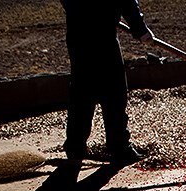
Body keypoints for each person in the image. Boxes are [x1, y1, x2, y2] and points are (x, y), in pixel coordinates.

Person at [59, 0, 154, 170]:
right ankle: (119, 148)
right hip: (102, 36)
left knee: (82, 91)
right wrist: (140, 29)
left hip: (79, 34)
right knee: (113, 91)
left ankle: (75, 149)